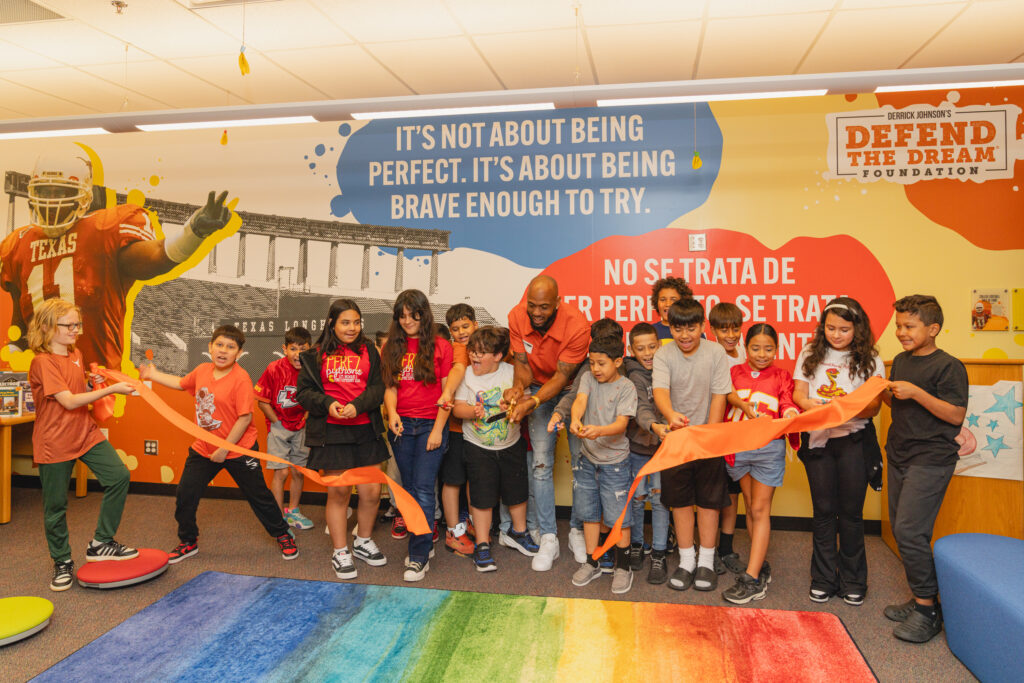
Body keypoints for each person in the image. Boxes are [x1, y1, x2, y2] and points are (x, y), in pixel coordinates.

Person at [1, 148, 233, 368]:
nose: (51, 201)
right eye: (44, 192)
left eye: (61, 192)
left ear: (83, 197)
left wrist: (193, 233)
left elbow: (156, 258)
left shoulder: (102, 230)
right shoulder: (19, 243)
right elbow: (20, 327)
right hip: (43, 381)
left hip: (95, 380)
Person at [140, 325, 297, 563]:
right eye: (220, 345)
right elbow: (181, 383)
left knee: (259, 496)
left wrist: (225, 449)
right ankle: (188, 541)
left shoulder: (241, 379)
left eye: (230, 347)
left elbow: (244, 418)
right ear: (210, 347)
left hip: (238, 449)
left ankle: (283, 534)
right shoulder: (202, 370)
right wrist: (152, 375)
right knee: (185, 494)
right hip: (203, 448)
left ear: (239, 353)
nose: (223, 351)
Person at [27, 298, 138, 591]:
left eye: (78, 324)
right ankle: (62, 561)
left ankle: (101, 542)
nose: (76, 330)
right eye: (69, 325)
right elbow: (67, 400)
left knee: (119, 476)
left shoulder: (75, 354)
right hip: (55, 441)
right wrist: (112, 389)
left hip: (85, 432)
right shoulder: (42, 362)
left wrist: (92, 384)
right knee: (56, 506)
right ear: (49, 328)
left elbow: (77, 390)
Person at [883, 295, 967, 643]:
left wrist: (916, 392)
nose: (901, 332)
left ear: (933, 329)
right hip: (900, 453)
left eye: (909, 326)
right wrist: (882, 390)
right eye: (899, 326)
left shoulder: (949, 366)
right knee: (906, 531)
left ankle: (927, 610)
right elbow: (897, 402)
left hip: (931, 458)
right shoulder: (901, 360)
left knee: (909, 531)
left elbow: (955, 415)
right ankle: (924, 596)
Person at [793, 296, 884, 606]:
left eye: (844, 329)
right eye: (830, 328)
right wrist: (812, 406)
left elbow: (873, 407)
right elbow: (799, 394)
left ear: (857, 329)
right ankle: (822, 579)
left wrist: (845, 409)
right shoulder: (810, 352)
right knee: (823, 512)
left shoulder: (871, 359)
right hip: (818, 441)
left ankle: (854, 580)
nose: (836, 334)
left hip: (854, 442)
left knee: (851, 514)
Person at [296, 299, 389, 580]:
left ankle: (362, 541)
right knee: (338, 493)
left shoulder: (370, 351)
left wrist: (358, 405)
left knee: (371, 492)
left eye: (356, 322)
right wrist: (328, 403)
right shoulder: (314, 355)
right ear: (331, 324)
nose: (352, 328)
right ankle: (340, 550)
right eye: (345, 322)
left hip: (365, 430)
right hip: (331, 432)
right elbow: (303, 394)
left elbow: (378, 388)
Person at [504, 275, 589, 571]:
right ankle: (549, 536)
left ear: (557, 303)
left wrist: (534, 401)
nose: (536, 313)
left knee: (580, 462)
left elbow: (562, 378)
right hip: (538, 389)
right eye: (532, 306)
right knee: (540, 463)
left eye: (543, 307)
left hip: (572, 390)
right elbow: (523, 367)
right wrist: (518, 389)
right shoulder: (516, 316)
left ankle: (577, 529)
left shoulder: (576, 325)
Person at [652, 298, 732, 592]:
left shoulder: (715, 353)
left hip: (708, 440)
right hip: (677, 440)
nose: (684, 335)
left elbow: (719, 395)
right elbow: (660, 390)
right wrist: (671, 416)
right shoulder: (664, 355)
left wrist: (707, 436)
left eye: (691, 328)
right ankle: (687, 560)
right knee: (681, 501)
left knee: (710, 502)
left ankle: (706, 562)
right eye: (677, 328)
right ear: (669, 328)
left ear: (702, 327)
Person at [721, 323, 800, 604]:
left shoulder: (782, 375)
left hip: (769, 449)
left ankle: (752, 577)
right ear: (745, 347)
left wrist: (789, 411)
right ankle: (760, 562)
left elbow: (787, 401)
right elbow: (723, 399)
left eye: (769, 348)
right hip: (738, 448)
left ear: (776, 350)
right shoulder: (732, 373)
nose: (762, 353)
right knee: (749, 505)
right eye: (756, 348)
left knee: (759, 508)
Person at [382, 289, 453, 582]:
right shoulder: (390, 347)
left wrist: (438, 429)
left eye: (413, 314)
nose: (407, 320)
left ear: (424, 314)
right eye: (402, 315)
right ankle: (422, 539)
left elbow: (447, 393)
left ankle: (419, 554)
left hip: (429, 425)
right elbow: (390, 388)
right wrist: (393, 413)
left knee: (423, 489)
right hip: (401, 426)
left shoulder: (440, 346)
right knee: (409, 489)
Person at [452, 326, 534, 572]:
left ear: (498, 355)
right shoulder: (466, 375)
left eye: (482, 352)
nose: (475, 357)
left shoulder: (512, 373)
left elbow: (528, 402)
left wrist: (517, 409)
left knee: (517, 491)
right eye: (472, 352)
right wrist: (471, 411)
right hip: (477, 447)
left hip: (511, 444)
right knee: (481, 497)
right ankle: (482, 544)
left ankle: (518, 533)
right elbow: (457, 409)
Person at [547, 317, 624, 569]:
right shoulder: (588, 371)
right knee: (588, 490)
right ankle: (581, 535)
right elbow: (575, 397)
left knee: (618, 499)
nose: (597, 366)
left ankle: (621, 546)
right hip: (590, 445)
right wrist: (561, 414)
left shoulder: (628, 373)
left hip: (619, 448)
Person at [567, 335, 638, 594]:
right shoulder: (587, 377)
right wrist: (575, 418)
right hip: (587, 460)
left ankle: (623, 567)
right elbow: (580, 401)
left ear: (618, 361)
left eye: (601, 364)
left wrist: (600, 431)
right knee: (589, 513)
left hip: (615, 463)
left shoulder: (627, 387)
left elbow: (621, 425)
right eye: (592, 363)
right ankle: (592, 561)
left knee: (618, 517)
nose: (595, 369)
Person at [621, 322, 671, 583]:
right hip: (638, 448)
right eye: (641, 348)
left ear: (660, 345)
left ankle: (659, 552)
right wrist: (654, 426)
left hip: (664, 449)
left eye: (652, 346)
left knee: (661, 500)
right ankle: (638, 544)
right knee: (638, 498)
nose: (648, 353)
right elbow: (641, 409)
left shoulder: (668, 369)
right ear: (632, 350)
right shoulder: (632, 376)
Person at [256, 326, 314, 531]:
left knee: (298, 472)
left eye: (303, 349)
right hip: (279, 426)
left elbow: (315, 399)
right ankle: (279, 517)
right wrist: (276, 423)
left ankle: (293, 511)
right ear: (284, 349)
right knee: (280, 474)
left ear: (310, 349)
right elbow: (262, 401)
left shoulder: (312, 370)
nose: (298, 354)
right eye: (293, 349)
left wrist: (305, 419)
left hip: (301, 427)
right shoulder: (274, 368)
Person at [709, 301, 747, 575]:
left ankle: (726, 547)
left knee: (732, 494)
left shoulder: (745, 353)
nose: (730, 335)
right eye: (724, 330)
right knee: (711, 494)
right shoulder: (711, 354)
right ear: (712, 331)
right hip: (714, 430)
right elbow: (725, 391)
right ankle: (706, 549)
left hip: (738, 433)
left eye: (735, 329)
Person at [439, 303, 477, 557]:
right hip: (454, 427)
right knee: (452, 479)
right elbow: (455, 372)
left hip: (480, 429)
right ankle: (453, 529)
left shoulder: (489, 346)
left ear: (476, 324)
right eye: (456, 329)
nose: (462, 332)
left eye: (466, 326)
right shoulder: (453, 351)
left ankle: (475, 522)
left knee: (475, 479)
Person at [650, 277, 694, 344]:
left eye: (673, 299)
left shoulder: (693, 330)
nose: (668, 304)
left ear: (683, 302)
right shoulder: (650, 331)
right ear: (656, 302)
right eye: (663, 299)